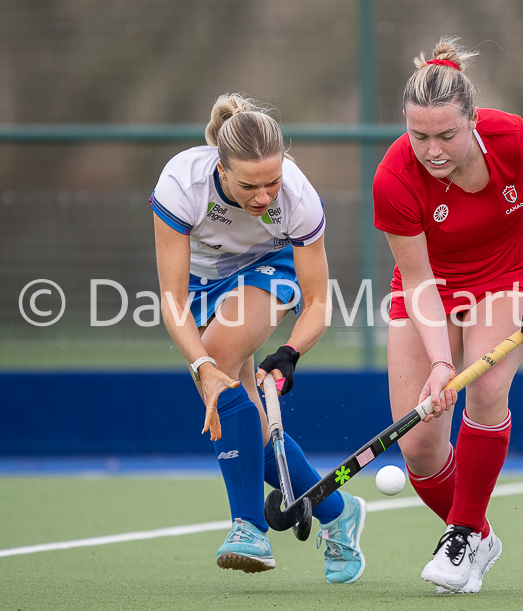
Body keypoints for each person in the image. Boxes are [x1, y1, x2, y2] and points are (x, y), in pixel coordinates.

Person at [373, 37, 523, 594]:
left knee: (488, 387)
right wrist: (442, 362)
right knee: (420, 447)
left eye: (447, 134)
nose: (433, 150)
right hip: (433, 287)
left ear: (473, 119)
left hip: (511, 274)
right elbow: (419, 280)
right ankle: (478, 536)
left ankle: (462, 535)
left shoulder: (513, 138)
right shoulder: (393, 178)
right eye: (418, 135)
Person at [151, 93, 366, 584]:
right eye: (249, 185)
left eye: (273, 181)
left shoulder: (299, 199)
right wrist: (198, 368)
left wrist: (290, 353)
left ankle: (248, 527)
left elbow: (316, 303)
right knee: (239, 409)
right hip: (204, 287)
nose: (264, 196)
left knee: (223, 357)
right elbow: (172, 299)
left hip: (269, 271)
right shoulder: (182, 182)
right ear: (221, 170)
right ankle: (338, 511)